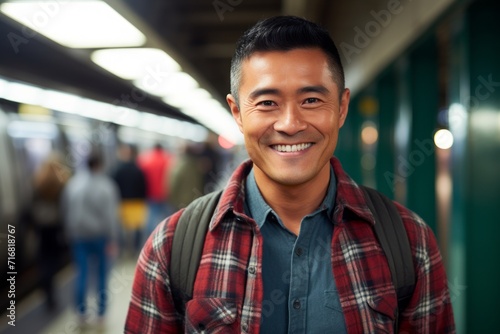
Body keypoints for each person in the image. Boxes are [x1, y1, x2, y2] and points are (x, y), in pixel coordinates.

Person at [125, 16, 455, 333]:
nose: (290, 124)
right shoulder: (171, 248)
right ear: (237, 113)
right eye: (267, 103)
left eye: (311, 100)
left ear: (341, 108)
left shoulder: (410, 243)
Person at [61, 149, 119, 326]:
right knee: (102, 275)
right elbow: (111, 216)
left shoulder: (72, 185)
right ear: (100, 165)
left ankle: (81, 313)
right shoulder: (107, 186)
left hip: (79, 237)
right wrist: (113, 239)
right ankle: (101, 314)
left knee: (82, 274)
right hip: (101, 237)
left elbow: (65, 211)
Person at [31, 150, 70, 310]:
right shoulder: (62, 181)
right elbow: (65, 205)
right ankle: (51, 290)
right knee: (54, 259)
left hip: (41, 226)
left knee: (44, 258)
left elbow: (31, 203)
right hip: (56, 226)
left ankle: (47, 290)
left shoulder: (38, 179)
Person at [111, 143, 147, 255]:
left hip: (123, 203)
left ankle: (123, 249)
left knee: (122, 228)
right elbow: (143, 186)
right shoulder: (138, 170)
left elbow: (114, 187)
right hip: (136, 203)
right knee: (137, 228)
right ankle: (135, 249)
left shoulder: (117, 170)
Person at [137, 143, 173, 239]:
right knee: (166, 219)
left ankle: (152, 239)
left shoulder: (145, 160)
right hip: (164, 194)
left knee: (151, 218)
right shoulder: (168, 160)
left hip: (150, 193)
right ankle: (164, 237)